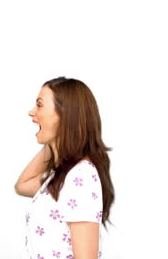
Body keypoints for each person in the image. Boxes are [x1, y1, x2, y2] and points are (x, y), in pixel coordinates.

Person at [15, 77, 115, 259]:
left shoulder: (81, 176)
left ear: (64, 114)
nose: (32, 112)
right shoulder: (62, 174)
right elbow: (22, 186)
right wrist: (53, 140)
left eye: (39, 105)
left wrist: (58, 133)